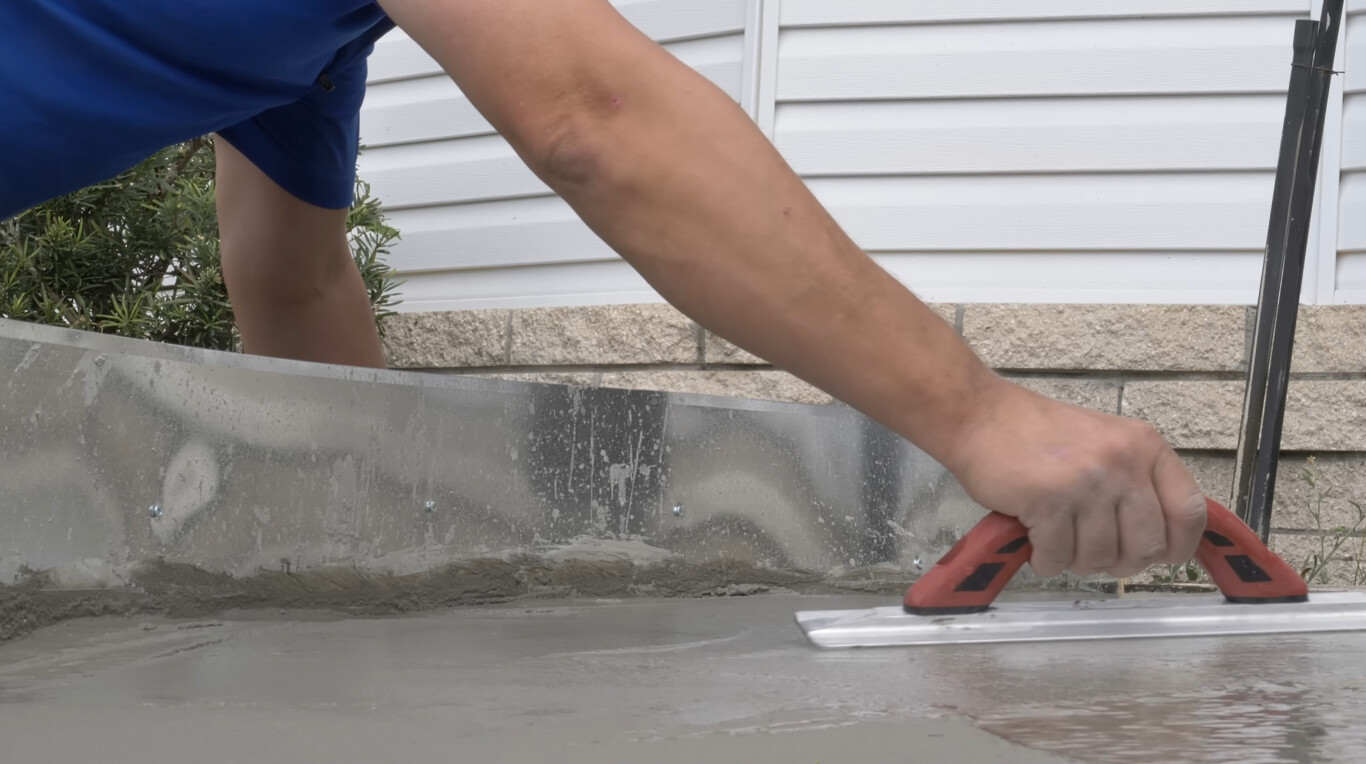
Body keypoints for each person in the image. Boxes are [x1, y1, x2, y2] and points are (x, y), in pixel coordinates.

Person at [0, 0, 1208, 580]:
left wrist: (354, 572)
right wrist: (982, 417)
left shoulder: (305, 33)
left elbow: (295, 281)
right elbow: (595, 119)